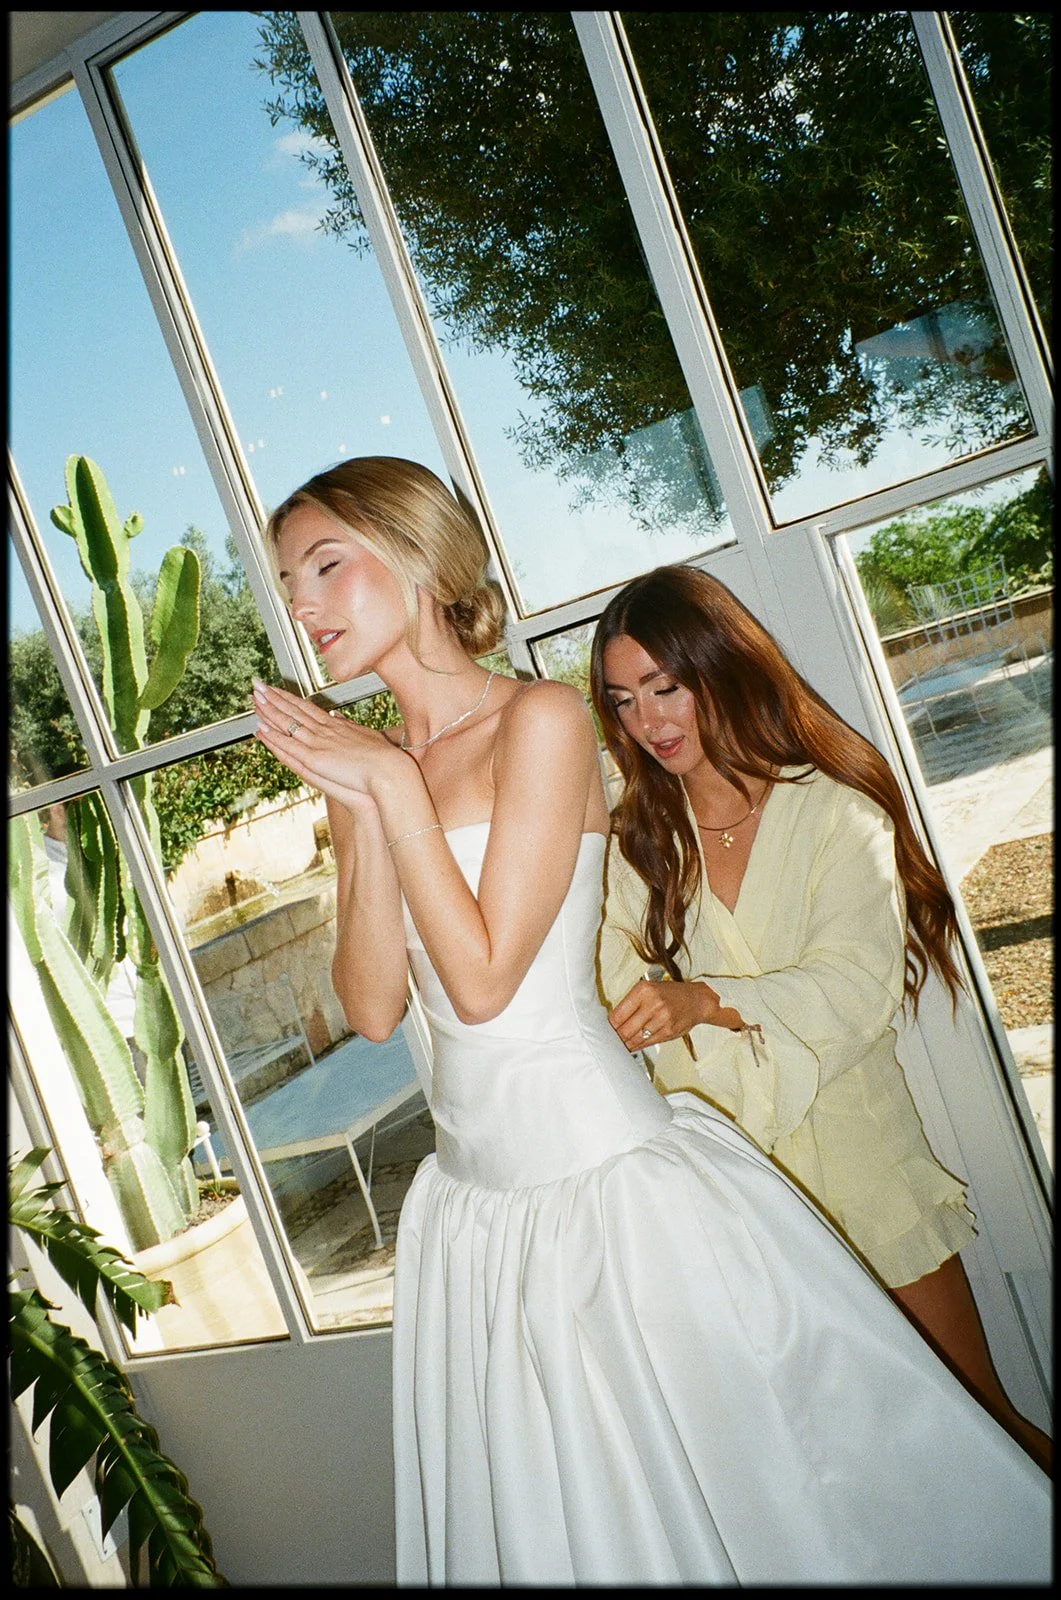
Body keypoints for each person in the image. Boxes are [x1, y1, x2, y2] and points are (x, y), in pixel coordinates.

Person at [252, 457, 1048, 1586]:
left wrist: (389, 792)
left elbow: (481, 984)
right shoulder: (372, 770)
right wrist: (371, 793)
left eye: (324, 565)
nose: (300, 601)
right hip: (477, 1200)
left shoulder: (537, 719)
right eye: (288, 579)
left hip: (603, 1177)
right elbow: (376, 1006)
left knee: (797, 1486)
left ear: (418, 554)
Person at [591, 561, 1052, 1476]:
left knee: (979, 1429)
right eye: (621, 701)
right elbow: (608, 988)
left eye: (664, 686)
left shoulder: (835, 811)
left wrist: (703, 1000)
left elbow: (854, 987)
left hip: (861, 1171)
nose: (647, 721)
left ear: (721, 667)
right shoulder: (634, 842)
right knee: (843, 1468)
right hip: (730, 1197)